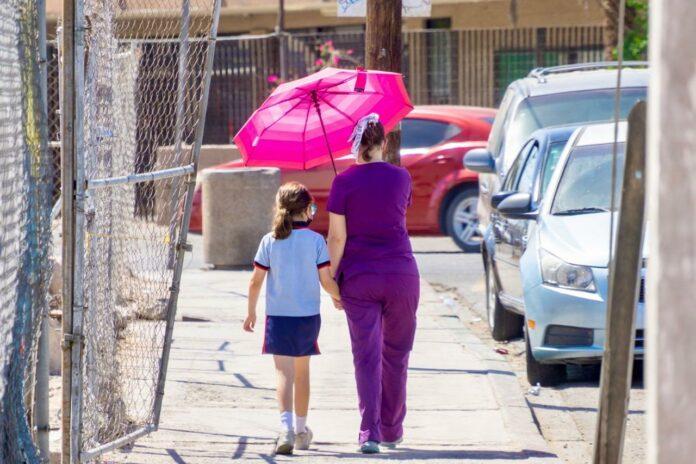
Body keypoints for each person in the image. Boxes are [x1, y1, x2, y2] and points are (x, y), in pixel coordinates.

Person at [327, 114, 420, 454]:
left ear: (355, 144)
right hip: (402, 276)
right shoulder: (402, 178)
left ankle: (371, 433)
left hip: (360, 278)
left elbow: (337, 238)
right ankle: (393, 428)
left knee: (365, 356)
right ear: (384, 143)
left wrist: (331, 280)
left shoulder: (343, 182)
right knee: (396, 354)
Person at [244, 182, 341, 455]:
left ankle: (284, 427)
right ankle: (300, 430)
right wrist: (339, 297)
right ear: (307, 210)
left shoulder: (269, 241)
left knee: (283, 374)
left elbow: (255, 281)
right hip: (307, 317)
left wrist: (251, 312)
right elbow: (326, 281)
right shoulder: (316, 241)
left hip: (278, 317)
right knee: (302, 372)